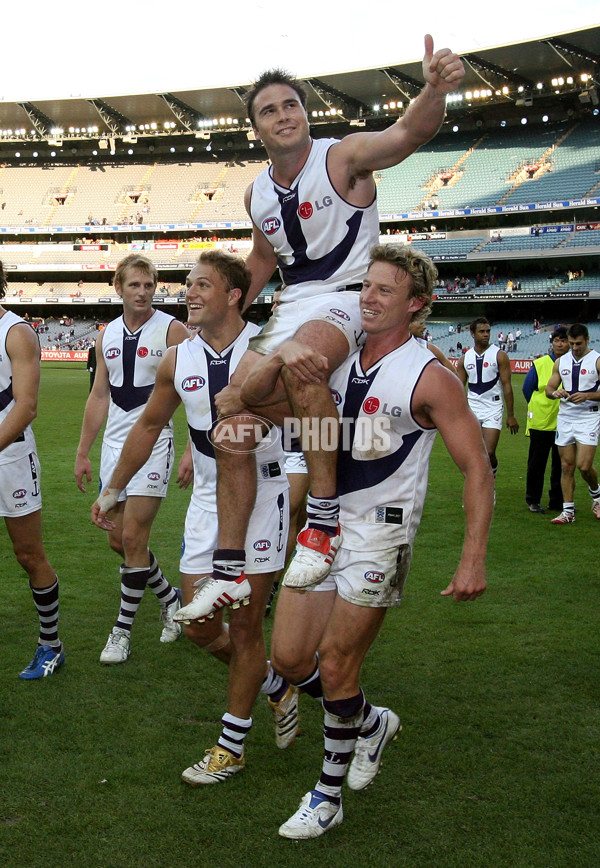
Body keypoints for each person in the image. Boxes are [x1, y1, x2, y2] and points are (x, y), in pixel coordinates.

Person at [178, 34, 466, 622]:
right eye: (270, 110)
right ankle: (230, 571)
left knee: (299, 361)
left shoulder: (341, 157)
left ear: (305, 114)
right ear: (255, 128)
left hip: (344, 300)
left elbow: (407, 135)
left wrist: (433, 90)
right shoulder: (257, 191)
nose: (284, 116)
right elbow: (263, 259)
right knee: (229, 409)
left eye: (292, 105)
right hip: (293, 303)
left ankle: (323, 523)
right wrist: (226, 316)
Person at [239, 243, 493, 839]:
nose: (369, 298)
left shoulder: (430, 376)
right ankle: (371, 722)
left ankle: (326, 796)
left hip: (381, 531)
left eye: (384, 290)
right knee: (291, 659)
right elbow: (259, 402)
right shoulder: (337, 360)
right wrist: (281, 355)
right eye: (366, 286)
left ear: (418, 304)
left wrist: (472, 556)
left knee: (334, 663)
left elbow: (477, 468)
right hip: (323, 526)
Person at [91, 250, 298, 782]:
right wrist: (113, 486)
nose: (190, 293)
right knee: (199, 626)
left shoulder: (268, 351)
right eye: (187, 284)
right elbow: (146, 426)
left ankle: (230, 747)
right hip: (207, 496)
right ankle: (275, 685)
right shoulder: (177, 356)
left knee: (247, 626)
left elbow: (313, 425)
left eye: (202, 285)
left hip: (261, 494)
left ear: (233, 296)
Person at [74, 254, 189, 663]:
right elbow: (100, 395)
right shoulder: (106, 335)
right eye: (135, 285)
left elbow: (196, 392)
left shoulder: (173, 330)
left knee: (133, 538)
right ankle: (170, 597)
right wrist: (84, 451)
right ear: (118, 287)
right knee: (116, 540)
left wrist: (191, 449)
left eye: (149, 285)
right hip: (113, 446)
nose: (143, 292)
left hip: (155, 442)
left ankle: (120, 634)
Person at [0, 261, 65, 679]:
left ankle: (50, 645)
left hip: (11, 459)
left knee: (28, 554)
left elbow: (26, 405)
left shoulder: (16, 331)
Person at [545, 323, 600, 524]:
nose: (574, 347)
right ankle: (568, 512)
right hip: (566, 417)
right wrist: (555, 392)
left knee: (584, 466)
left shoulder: (597, 360)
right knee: (566, 465)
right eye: (571, 343)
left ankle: (597, 495)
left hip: (589, 416)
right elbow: (549, 388)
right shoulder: (561, 361)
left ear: (587, 340)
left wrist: (588, 396)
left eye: (578, 343)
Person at [457, 316, 519, 488]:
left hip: (493, 406)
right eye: (481, 332)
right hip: (472, 408)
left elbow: (507, 386)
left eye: (488, 331)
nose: (485, 335)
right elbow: (459, 388)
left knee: (489, 452)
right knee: (474, 453)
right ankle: (479, 487)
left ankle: (490, 481)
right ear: (472, 333)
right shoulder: (464, 359)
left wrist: (511, 415)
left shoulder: (500, 355)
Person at [522, 327, 569, 513]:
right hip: (541, 422)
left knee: (562, 464)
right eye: (557, 340)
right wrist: (538, 407)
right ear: (552, 342)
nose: (560, 343)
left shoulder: (572, 364)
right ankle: (533, 500)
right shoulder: (540, 363)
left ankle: (557, 501)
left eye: (564, 340)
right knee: (537, 464)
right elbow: (528, 389)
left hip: (565, 422)